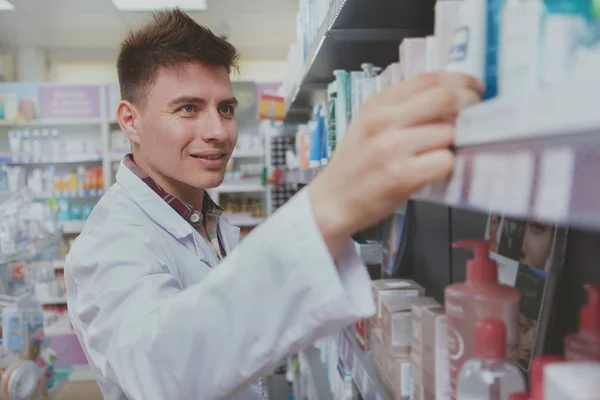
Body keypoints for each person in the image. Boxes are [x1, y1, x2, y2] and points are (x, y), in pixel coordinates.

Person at [65, 8, 483, 400]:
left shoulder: (201, 215)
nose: (217, 131)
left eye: (225, 108)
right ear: (130, 120)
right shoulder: (111, 241)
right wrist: (327, 207)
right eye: (188, 108)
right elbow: (160, 366)